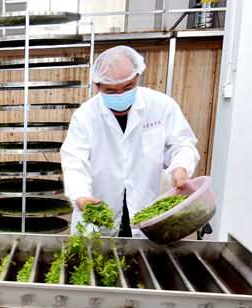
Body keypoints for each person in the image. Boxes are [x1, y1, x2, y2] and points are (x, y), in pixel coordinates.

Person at [60, 45, 200, 237]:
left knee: (138, 261)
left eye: (128, 87)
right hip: (98, 217)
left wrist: (180, 168)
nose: (120, 96)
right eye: (111, 90)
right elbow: (74, 163)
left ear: (136, 77)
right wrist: (81, 197)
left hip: (143, 214)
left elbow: (182, 144)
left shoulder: (161, 106)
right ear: (98, 86)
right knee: (94, 263)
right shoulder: (85, 116)